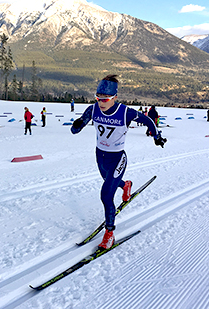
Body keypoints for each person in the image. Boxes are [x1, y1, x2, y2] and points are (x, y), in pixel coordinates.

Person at [71, 74, 167, 250]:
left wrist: (157, 136)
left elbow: (148, 121)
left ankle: (109, 234)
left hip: (117, 158)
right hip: (100, 156)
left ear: (115, 97)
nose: (101, 102)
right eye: (98, 98)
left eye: (105, 99)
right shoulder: (93, 110)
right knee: (109, 182)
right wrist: (77, 124)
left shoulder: (125, 112)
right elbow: (76, 129)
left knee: (106, 195)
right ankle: (126, 185)